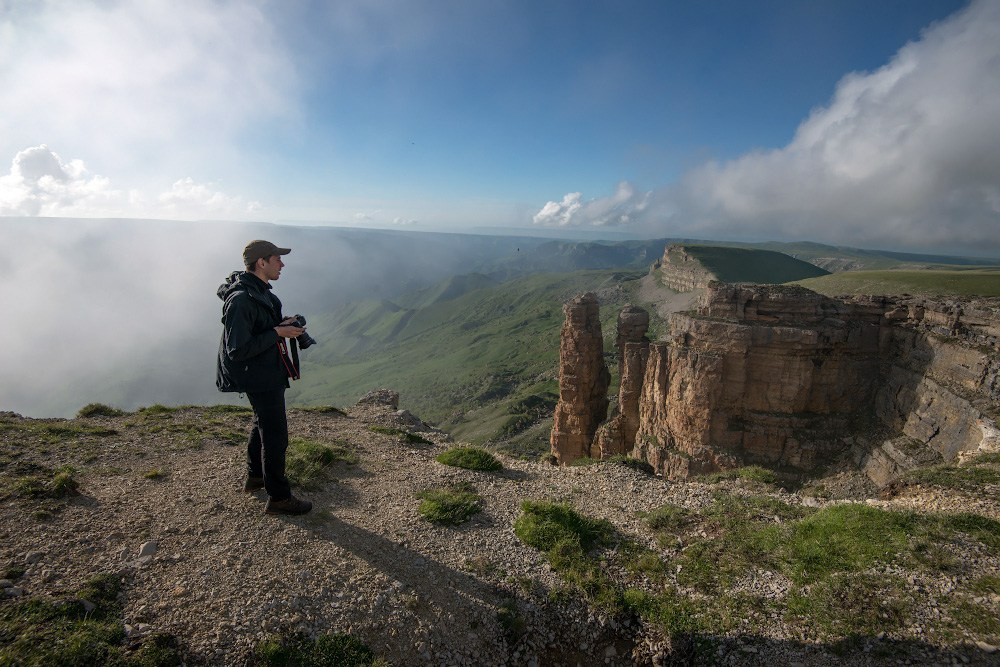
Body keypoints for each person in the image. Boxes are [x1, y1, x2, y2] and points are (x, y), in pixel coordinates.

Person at [216, 240, 312, 515]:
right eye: (277, 259)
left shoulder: (258, 292)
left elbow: (258, 330)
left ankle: (256, 477)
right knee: (275, 435)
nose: (282, 264)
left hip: (265, 369)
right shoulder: (241, 300)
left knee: (262, 423)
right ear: (261, 262)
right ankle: (279, 498)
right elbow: (237, 349)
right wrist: (277, 333)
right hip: (258, 374)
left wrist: (280, 326)